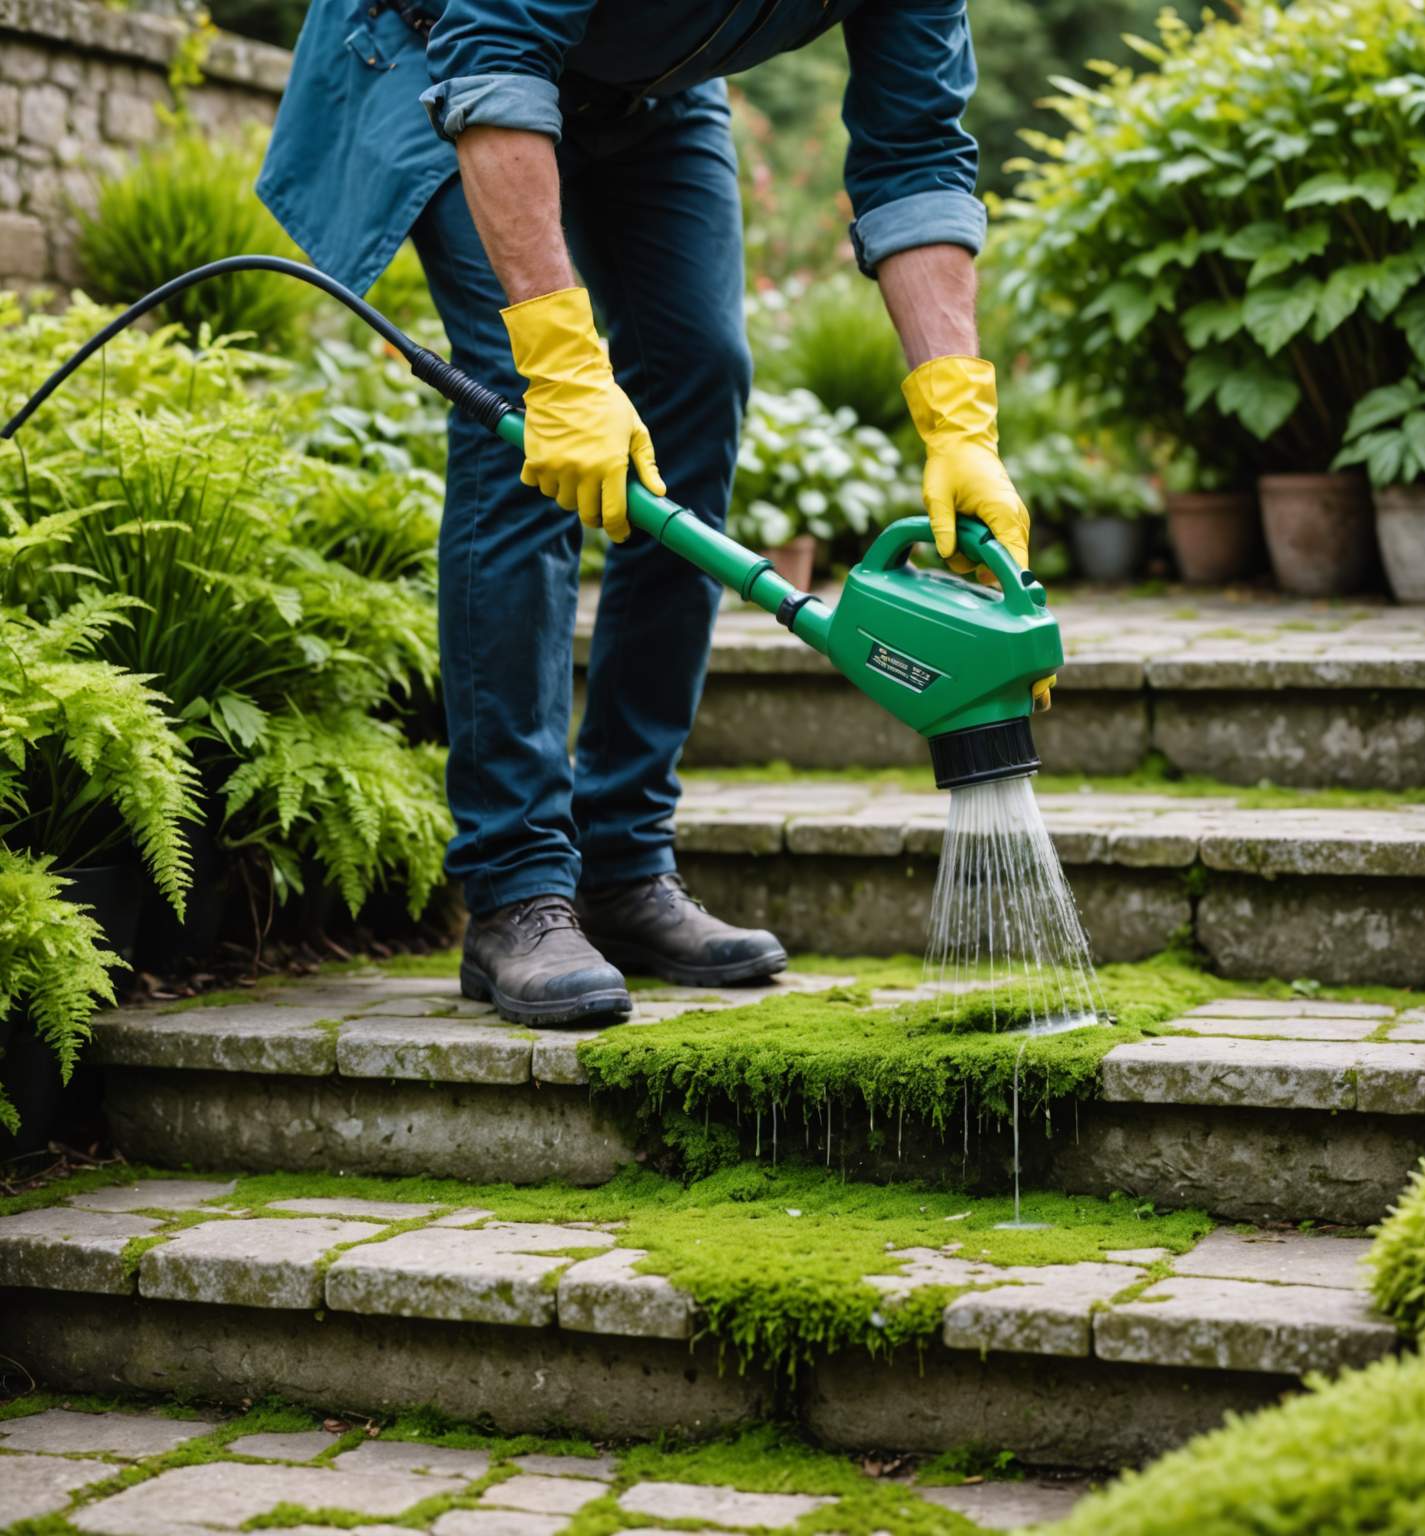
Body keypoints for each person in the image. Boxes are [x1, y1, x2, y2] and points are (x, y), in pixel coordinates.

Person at [258, 0, 1038, 1027]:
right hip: (446, 41)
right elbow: (495, 50)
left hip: (646, 90)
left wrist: (959, 423)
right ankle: (516, 886)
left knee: (699, 377)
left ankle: (622, 866)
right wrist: (567, 364)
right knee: (529, 406)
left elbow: (918, 150)